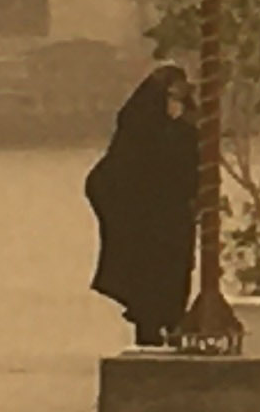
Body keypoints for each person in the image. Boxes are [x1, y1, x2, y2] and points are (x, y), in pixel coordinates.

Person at [83, 63, 198, 350]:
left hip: (174, 219)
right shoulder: (140, 128)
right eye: (170, 98)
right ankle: (150, 329)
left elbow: (190, 168)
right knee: (149, 280)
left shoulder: (184, 129)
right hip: (144, 222)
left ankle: (172, 325)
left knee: (175, 275)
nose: (175, 105)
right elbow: (111, 178)